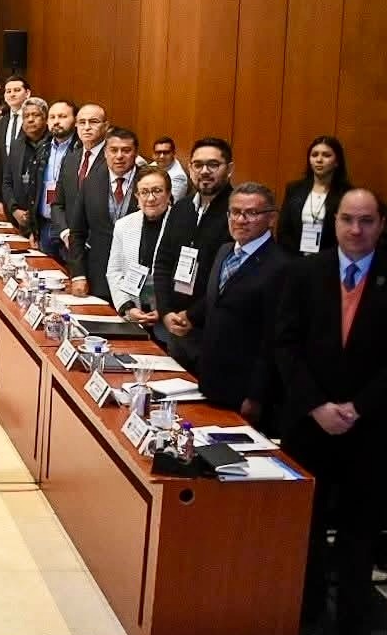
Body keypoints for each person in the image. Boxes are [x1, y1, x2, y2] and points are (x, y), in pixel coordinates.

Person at [275, 188, 387, 635]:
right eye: (347, 219)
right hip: (310, 423)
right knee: (306, 526)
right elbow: (285, 345)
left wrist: (358, 408)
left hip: (371, 430)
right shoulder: (305, 273)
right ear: (334, 222)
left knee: (359, 534)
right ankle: (303, 613)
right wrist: (318, 405)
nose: (356, 229)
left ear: (381, 224)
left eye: (366, 221)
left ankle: (353, 631)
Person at [166, 181, 290, 426]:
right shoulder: (225, 251)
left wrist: (256, 395)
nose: (241, 220)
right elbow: (219, 298)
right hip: (210, 379)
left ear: (272, 218)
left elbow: (273, 340)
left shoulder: (282, 267)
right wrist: (189, 317)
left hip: (245, 391)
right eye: (235, 212)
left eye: (251, 213)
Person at [152, 137, 234, 370]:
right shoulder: (181, 208)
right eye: (198, 165)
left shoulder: (236, 213)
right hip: (175, 325)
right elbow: (163, 262)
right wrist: (166, 311)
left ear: (229, 169)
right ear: (190, 168)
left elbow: (230, 280)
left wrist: (192, 316)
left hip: (213, 330)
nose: (204, 171)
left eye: (213, 165)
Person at [68, 127, 141, 301]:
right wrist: (78, 274)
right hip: (98, 276)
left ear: (136, 153)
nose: (119, 156)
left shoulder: (148, 183)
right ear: (105, 153)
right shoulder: (90, 182)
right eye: (114, 150)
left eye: (126, 150)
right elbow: (77, 232)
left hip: (137, 279)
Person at [106, 166, 174, 329]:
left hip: (170, 317)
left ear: (168, 194)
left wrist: (164, 310)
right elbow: (114, 272)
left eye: (157, 191)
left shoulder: (182, 224)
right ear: (137, 196)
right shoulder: (123, 225)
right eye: (144, 192)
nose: (150, 198)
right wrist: (128, 308)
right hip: (134, 314)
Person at [278, 135, 350, 257]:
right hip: (295, 259)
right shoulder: (294, 189)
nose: (319, 160)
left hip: (329, 260)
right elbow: (283, 230)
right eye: (314, 155)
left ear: (337, 162)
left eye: (326, 155)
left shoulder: (347, 194)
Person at [53, 102, 107, 253]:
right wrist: (65, 233)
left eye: (93, 122)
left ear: (106, 126)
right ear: (76, 126)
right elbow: (57, 204)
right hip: (70, 245)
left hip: (100, 247)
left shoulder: (113, 159)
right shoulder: (70, 158)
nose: (87, 127)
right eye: (82, 122)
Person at [27, 100, 79, 257]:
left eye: (62, 116)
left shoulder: (80, 149)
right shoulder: (43, 147)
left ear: (75, 120)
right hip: (45, 224)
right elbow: (34, 189)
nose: (56, 121)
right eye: (52, 117)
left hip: (69, 229)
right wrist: (33, 228)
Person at [3, 97, 48, 227]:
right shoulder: (17, 145)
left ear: (45, 118)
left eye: (35, 115)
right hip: (18, 218)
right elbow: (7, 182)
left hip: (43, 221)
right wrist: (14, 210)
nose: (30, 119)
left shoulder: (52, 145)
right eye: (26, 116)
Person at [151, 136, 189, 202]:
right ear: (153, 154)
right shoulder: (154, 165)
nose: (161, 156)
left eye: (166, 152)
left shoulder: (179, 177)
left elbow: (171, 203)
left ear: (173, 153)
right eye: (158, 152)